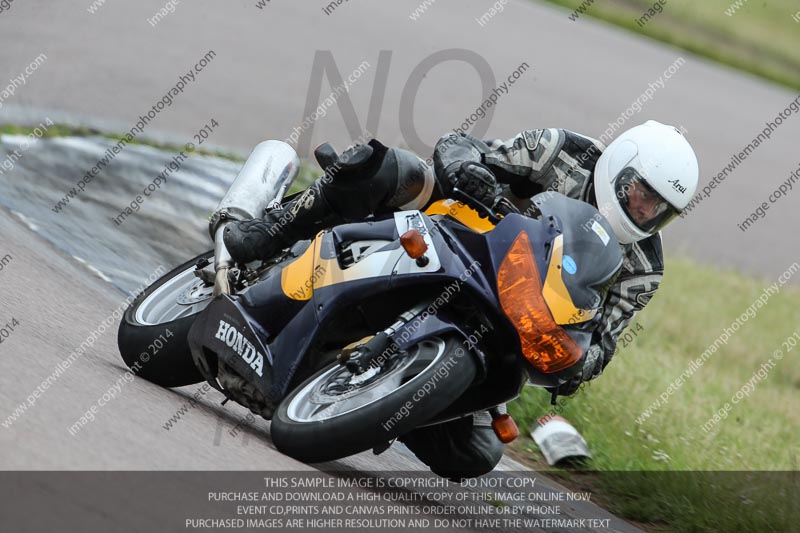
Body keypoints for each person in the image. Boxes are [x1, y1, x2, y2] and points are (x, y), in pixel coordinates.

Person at [223, 120, 699, 478]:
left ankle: (386, 399)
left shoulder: (644, 268)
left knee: (477, 452)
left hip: (512, 323)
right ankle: (268, 232)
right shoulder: (564, 151)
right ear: (621, 165)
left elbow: (603, 344)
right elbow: (462, 145)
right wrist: (471, 172)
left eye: (659, 209)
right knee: (386, 168)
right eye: (641, 194)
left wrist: (577, 361)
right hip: (461, 233)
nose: (644, 210)